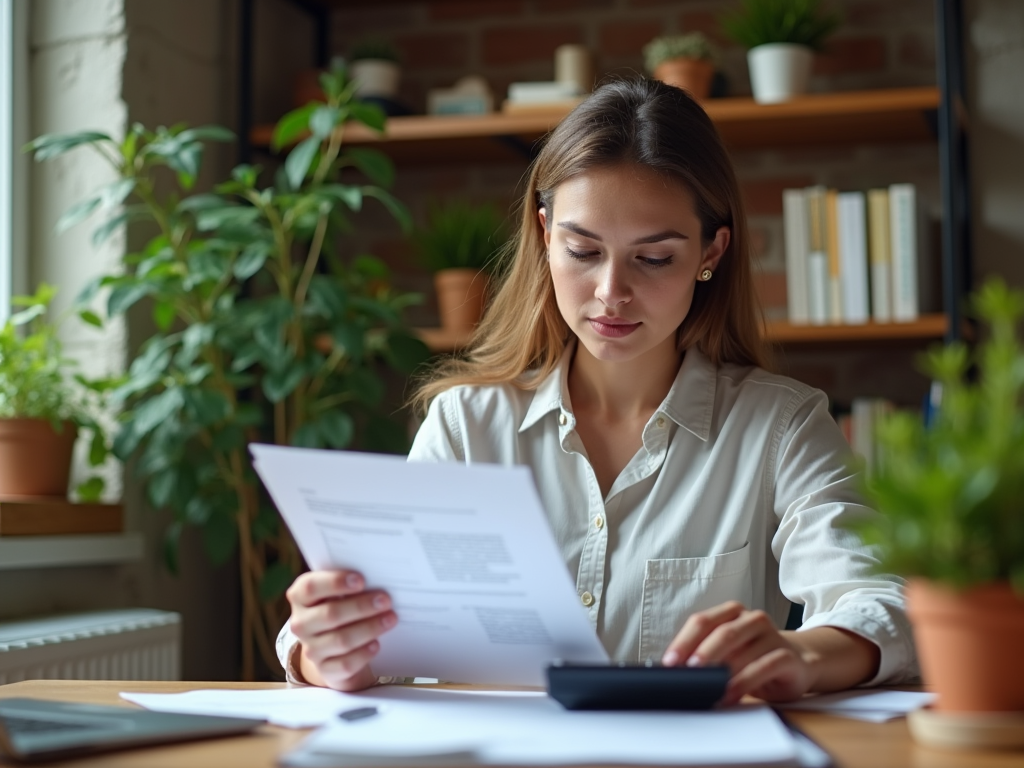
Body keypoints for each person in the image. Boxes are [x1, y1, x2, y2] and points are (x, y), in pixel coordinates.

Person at [276, 78, 916, 702]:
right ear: (546, 233)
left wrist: (802, 652)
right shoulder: (466, 425)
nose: (612, 292)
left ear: (710, 253)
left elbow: (879, 600)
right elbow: (390, 637)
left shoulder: (781, 425)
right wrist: (324, 649)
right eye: (583, 251)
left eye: (655, 257)